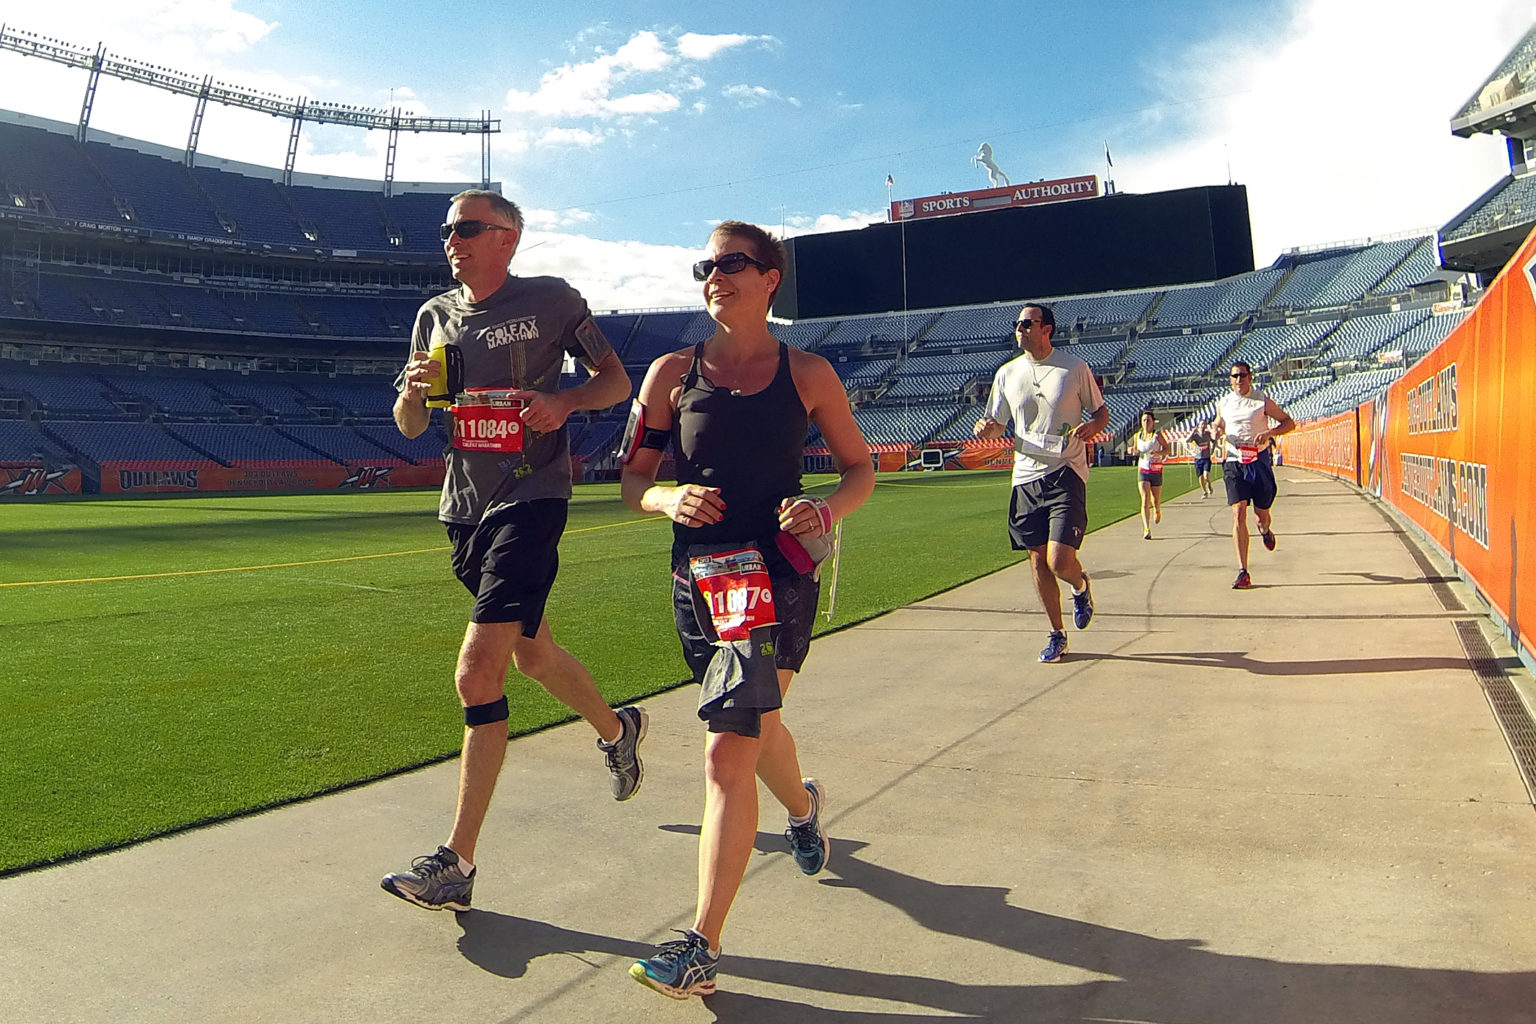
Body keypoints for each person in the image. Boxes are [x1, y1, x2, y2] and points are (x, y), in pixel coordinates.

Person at [619, 220, 874, 999]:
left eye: (732, 262)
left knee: (727, 750)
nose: (715, 274)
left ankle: (701, 945)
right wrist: (667, 497)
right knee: (758, 730)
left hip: (779, 582)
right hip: (700, 584)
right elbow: (632, 481)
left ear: (770, 277)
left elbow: (860, 470)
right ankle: (802, 810)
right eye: (706, 263)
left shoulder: (809, 374)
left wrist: (826, 510)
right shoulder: (669, 373)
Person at [382, 189, 644, 911]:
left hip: (532, 498)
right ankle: (619, 730)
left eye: (466, 228)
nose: (451, 240)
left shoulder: (554, 301)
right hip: (463, 508)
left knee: (477, 674)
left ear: (508, 237)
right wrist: (412, 393)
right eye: (446, 231)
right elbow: (409, 424)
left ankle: (457, 863)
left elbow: (615, 379)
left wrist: (564, 403)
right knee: (532, 655)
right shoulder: (434, 316)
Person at [974, 303, 1109, 663]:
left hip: (1066, 470)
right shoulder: (1006, 373)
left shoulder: (1074, 368)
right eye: (1017, 324)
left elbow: (1100, 412)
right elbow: (995, 422)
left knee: (1059, 560)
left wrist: (1093, 428)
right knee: (1036, 562)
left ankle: (1080, 586)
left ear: (1047, 328)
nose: (1019, 329)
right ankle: (1057, 634)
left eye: (1027, 323)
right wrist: (986, 428)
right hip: (1025, 476)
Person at [1211, 361, 1295, 590]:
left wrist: (1269, 433)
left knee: (1261, 515)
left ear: (1251, 377)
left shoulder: (1261, 400)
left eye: (1243, 376)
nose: (1239, 380)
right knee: (1238, 513)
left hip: (1258, 460)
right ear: (1230, 380)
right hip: (1233, 460)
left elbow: (1289, 422)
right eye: (1235, 376)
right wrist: (1215, 429)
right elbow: (1218, 423)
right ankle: (1243, 571)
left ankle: (1265, 530)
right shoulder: (1225, 403)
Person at [1131, 411, 1170, 540]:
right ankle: (1146, 528)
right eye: (1144, 420)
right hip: (1143, 470)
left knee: (1155, 499)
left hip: (1156, 470)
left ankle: (1157, 509)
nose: (1146, 423)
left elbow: (1167, 449)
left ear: (1153, 422)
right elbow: (1135, 449)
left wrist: (1159, 453)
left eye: (1148, 420)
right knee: (1145, 498)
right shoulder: (1137, 436)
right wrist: (1132, 450)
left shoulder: (1157, 436)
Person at [1187, 420, 1216, 497]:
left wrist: (1212, 449)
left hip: (1206, 457)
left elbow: (1214, 441)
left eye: (1205, 424)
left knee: (1206, 475)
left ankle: (1209, 484)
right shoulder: (1195, 435)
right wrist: (1192, 433)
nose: (1204, 426)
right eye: (1202, 424)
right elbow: (1187, 441)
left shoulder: (1207, 434)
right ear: (1199, 425)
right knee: (1200, 476)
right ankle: (1204, 492)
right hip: (1198, 458)